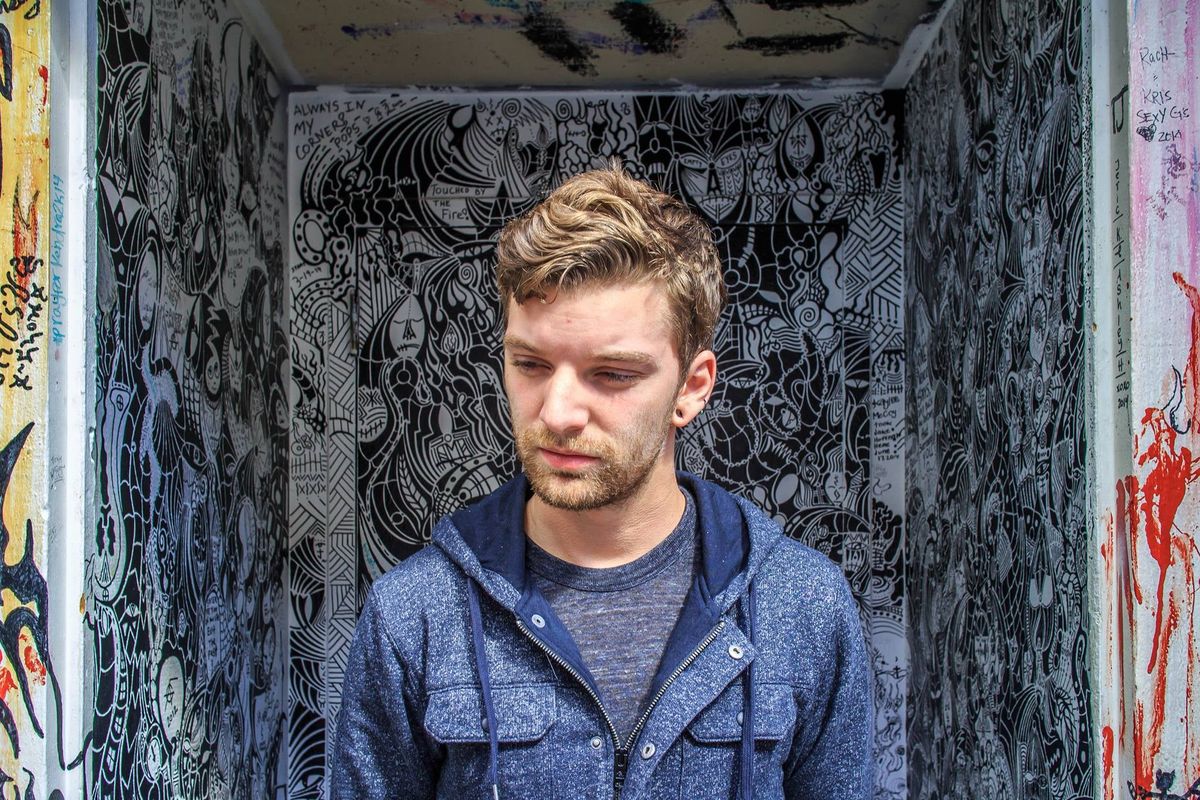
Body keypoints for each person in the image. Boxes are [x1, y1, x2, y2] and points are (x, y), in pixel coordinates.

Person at [331, 164, 874, 799]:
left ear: (691, 387)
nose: (558, 413)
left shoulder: (804, 606)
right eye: (530, 364)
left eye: (613, 374)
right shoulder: (414, 615)